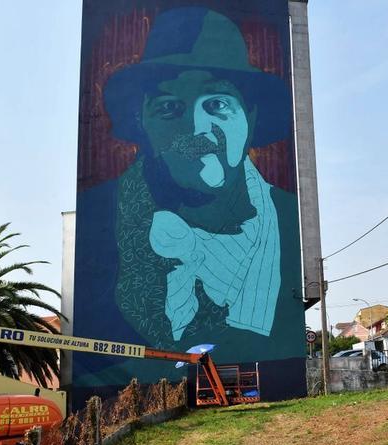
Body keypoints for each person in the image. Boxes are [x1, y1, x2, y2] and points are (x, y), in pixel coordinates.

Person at [72, 6, 304, 394]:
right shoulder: (98, 215)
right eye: (169, 107)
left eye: (217, 104)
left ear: (251, 116)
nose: (196, 128)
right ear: (142, 122)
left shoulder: (285, 218)